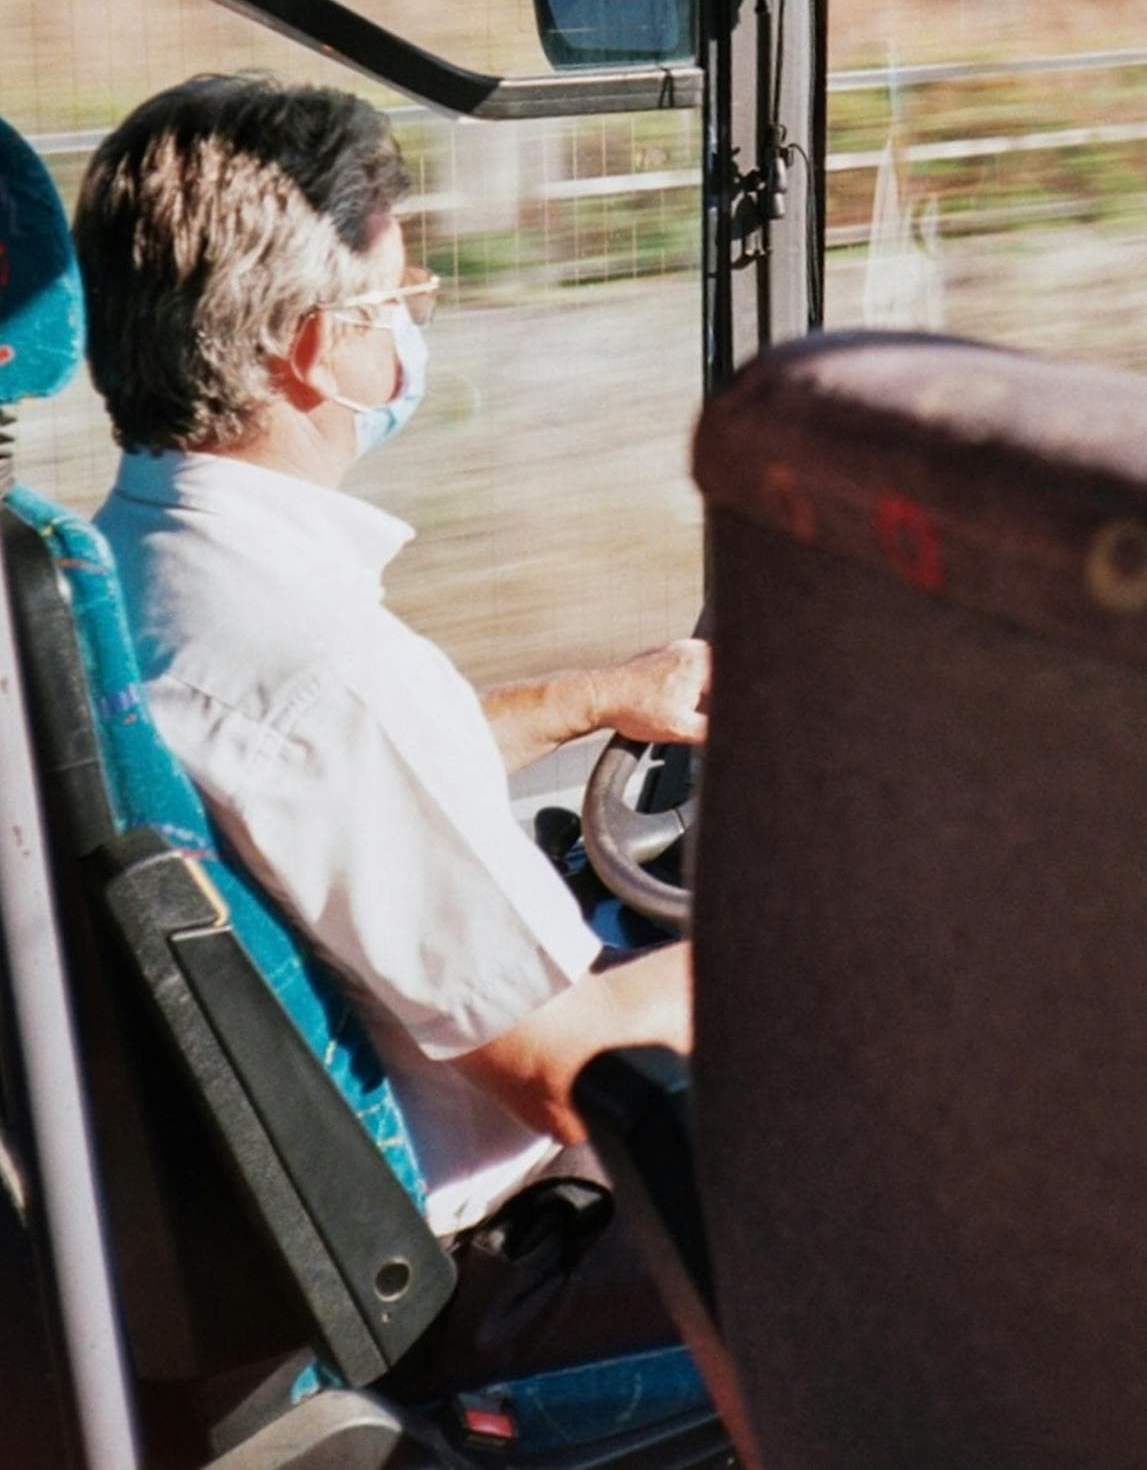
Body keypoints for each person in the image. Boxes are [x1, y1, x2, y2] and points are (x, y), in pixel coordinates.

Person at [73, 72, 706, 1388]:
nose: (411, 338)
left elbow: (307, 784)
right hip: (498, 1275)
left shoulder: (120, 571)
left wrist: (598, 696)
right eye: (401, 302)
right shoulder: (324, 667)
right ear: (314, 345)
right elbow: (565, 1068)